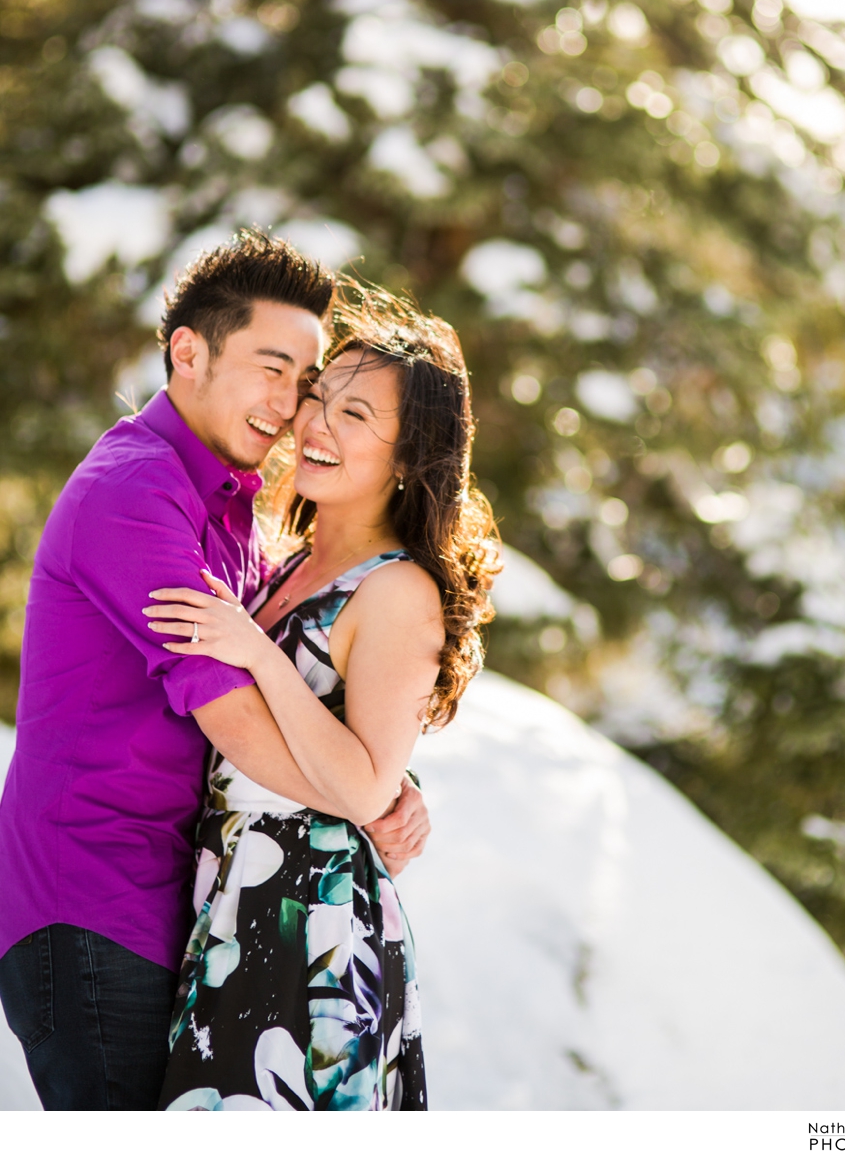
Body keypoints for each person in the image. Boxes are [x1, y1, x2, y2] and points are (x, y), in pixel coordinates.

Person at [0, 233, 429, 1112]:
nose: (292, 407)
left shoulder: (234, 514)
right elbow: (230, 717)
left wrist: (389, 769)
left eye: (305, 382)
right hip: (92, 900)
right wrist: (365, 792)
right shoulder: (134, 492)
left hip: (179, 911)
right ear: (188, 352)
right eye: (272, 368)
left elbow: (296, 685)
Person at [147, 285, 500, 1111]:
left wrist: (255, 656)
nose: (315, 425)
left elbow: (364, 782)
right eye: (318, 398)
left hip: (310, 930)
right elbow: (353, 762)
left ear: (411, 456)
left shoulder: (397, 589)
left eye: (356, 416)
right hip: (235, 912)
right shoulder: (288, 565)